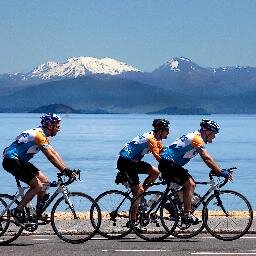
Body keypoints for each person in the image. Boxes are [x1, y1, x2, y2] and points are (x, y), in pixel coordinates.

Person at [2, 113, 76, 226]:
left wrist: (66, 169)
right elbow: (50, 157)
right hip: (12, 161)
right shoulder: (39, 135)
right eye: (57, 126)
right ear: (50, 125)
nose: (59, 128)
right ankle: (17, 211)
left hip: (20, 161)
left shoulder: (42, 135)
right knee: (38, 186)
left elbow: (54, 153)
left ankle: (37, 213)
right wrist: (65, 171)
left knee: (45, 181)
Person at [158, 119, 232, 225]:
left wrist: (218, 170)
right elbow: (207, 158)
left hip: (170, 164)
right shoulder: (197, 138)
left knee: (190, 183)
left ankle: (172, 206)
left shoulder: (195, 136)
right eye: (214, 134)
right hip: (169, 164)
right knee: (190, 184)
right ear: (208, 132)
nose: (214, 137)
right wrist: (220, 171)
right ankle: (186, 215)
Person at [117, 118, 170, 221]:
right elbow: (159, 158)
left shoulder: (156, 138)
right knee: (138, 192)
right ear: (160, 130)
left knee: (155, 172)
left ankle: (141, 194)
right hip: (125, 163)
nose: (168, 133)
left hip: (132, 162)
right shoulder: (151, 139)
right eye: (167, 130)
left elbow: (163, 153)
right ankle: (133, 221)